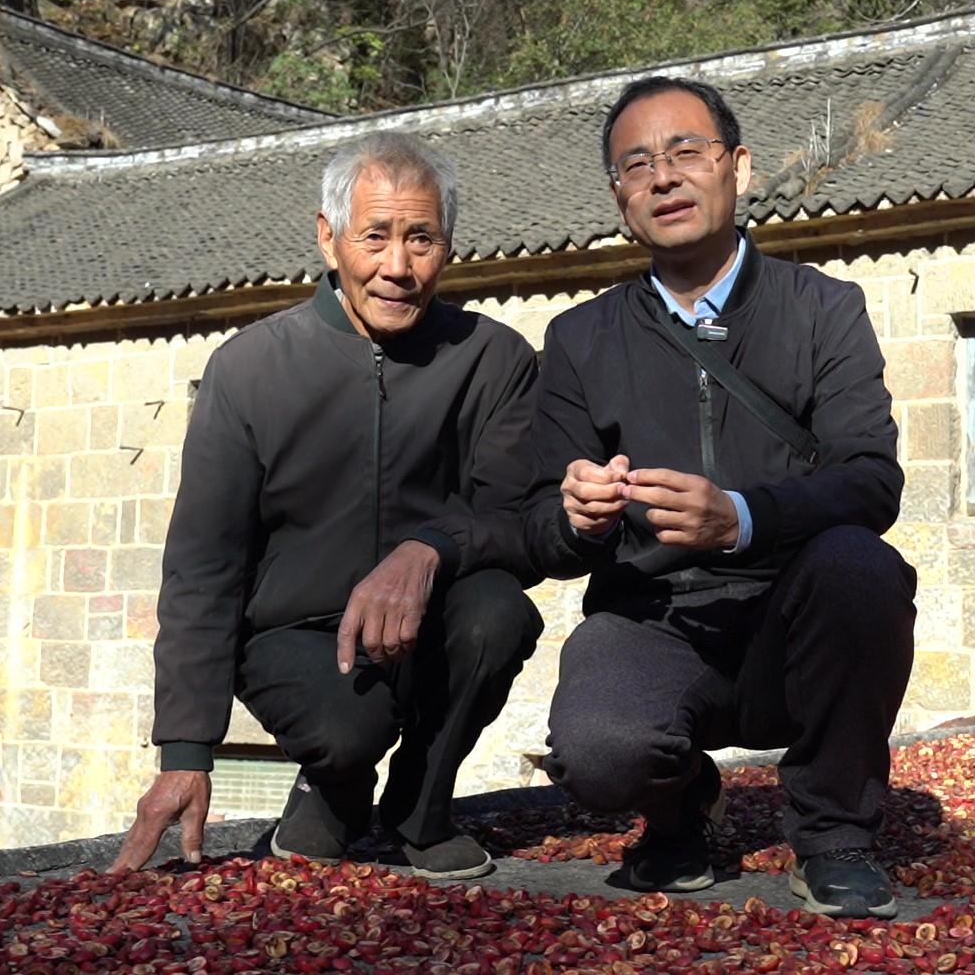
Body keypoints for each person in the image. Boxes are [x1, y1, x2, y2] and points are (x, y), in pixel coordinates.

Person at [526, 76, 917, 918]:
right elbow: (539, 522)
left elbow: (871, 478)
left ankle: (833, 834)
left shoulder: (823, 310)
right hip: (656, 617)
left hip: (793, 613)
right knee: (598, 751)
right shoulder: (580, 339)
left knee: (862, 567)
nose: (664, 177)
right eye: (638, 164)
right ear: (619, 196)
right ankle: (679, 807)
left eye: (686, 153)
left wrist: (741, 519)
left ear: (736, 167)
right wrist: (576, 515)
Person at [108, 132, 543, 880]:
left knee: (500, 612)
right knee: (348, 729)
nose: (396, 268)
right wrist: (186, 752)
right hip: (292, 635)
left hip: (432, 615)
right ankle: (335, 786)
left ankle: (420, 806)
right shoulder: (249, 369)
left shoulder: (492, 360)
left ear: (450, 245)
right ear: (328, 236)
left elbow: (522, 520)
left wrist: (427, 549)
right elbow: (203, 565)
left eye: (421, 239)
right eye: (374, 237)